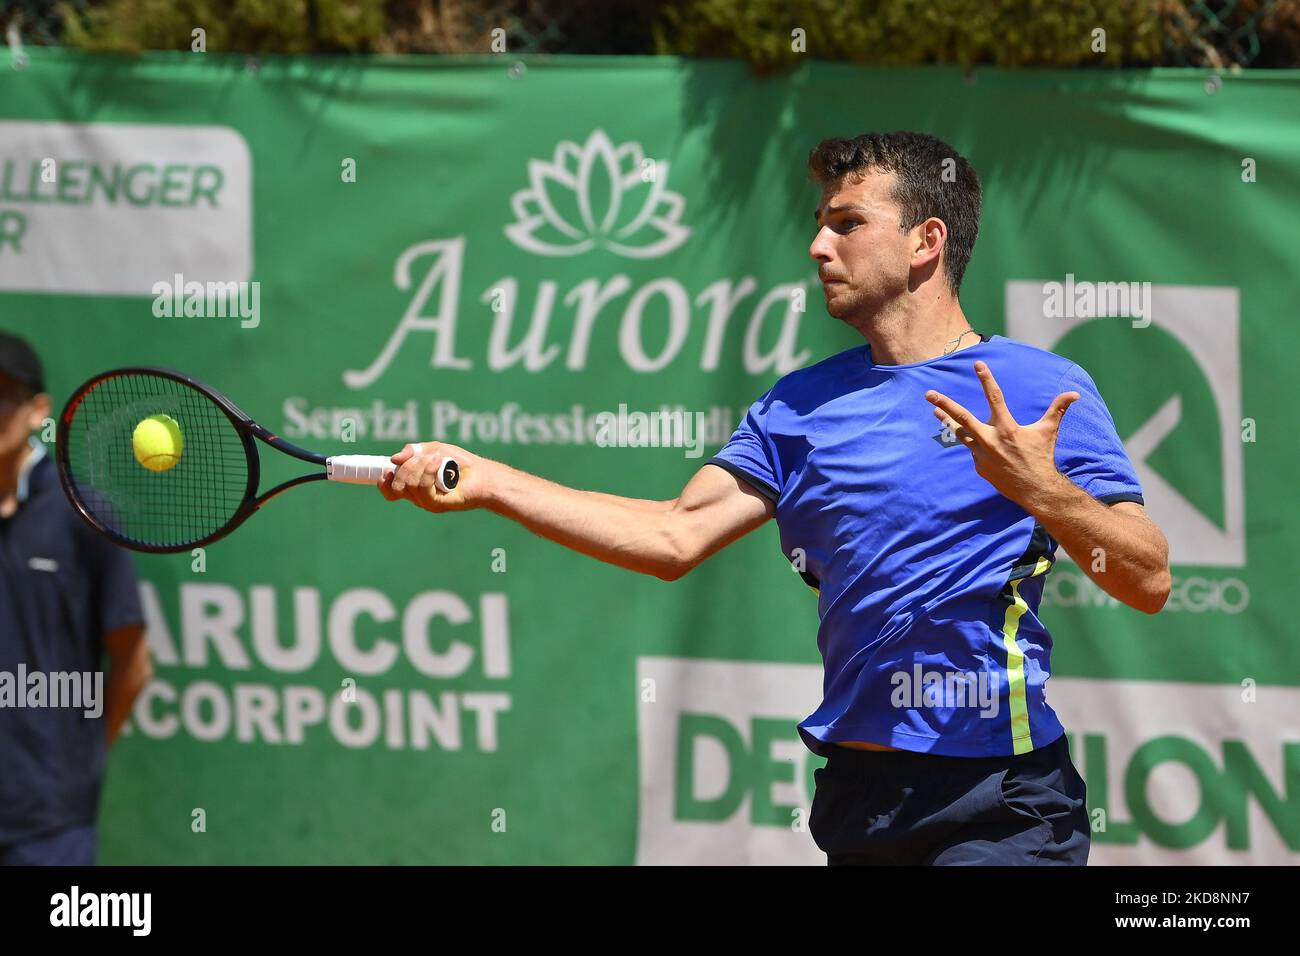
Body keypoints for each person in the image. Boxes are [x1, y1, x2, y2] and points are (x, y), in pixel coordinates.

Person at [376, 131, 1171, 865]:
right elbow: (673, 537)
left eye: (847, 223)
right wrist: (488, 481)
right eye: (820, 223)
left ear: (927, 241)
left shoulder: (1042, 389)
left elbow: (1147, 578)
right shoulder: (797, 407)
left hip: (1000, 802)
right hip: (859, 802)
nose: (818, 245)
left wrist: (1044, 489)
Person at [0, 331, 153, 866]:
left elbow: (133, 661)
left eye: (5, 393)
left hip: (49, 822)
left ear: (38, 409)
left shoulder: (81, 514)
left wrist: (79, 760)